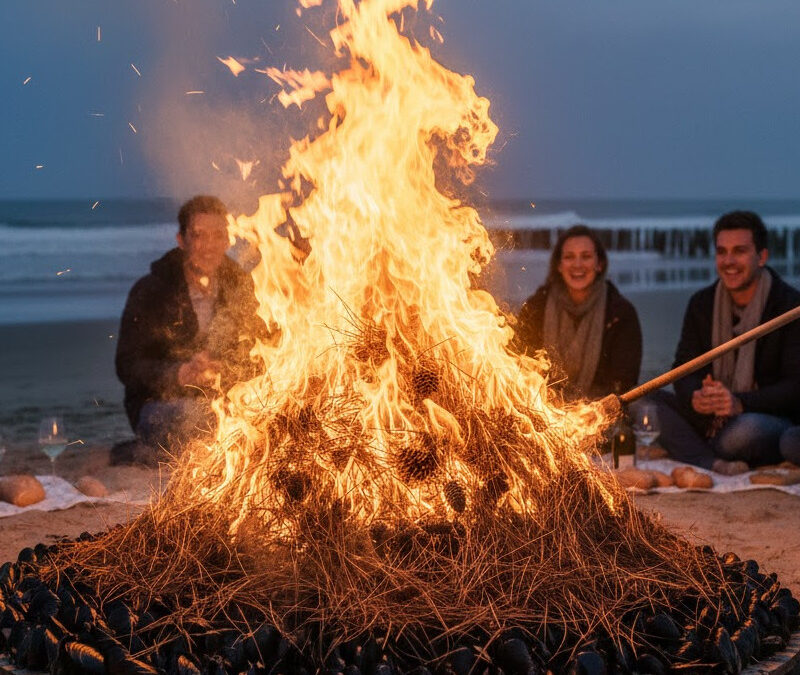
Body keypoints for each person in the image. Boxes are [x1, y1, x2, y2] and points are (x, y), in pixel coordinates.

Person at [114, 195, 269, 463]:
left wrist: (226, 369)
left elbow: (263, 350)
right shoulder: (151, 290)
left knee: (269, 411)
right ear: (182, 240)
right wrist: (178, 373)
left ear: (227, 240)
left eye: (218, 235)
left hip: (227, 399)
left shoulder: (241, 287)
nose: (209, 246)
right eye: (199, 236)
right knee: (203, 417)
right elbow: (128, 366)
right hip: (160, 405)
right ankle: (141, 451)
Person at [651, 210, 800, 474]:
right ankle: (711, 461)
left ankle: (695, 451)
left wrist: (739, 402)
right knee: (643, 400)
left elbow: (794, 387)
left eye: (739, 251)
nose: (728, 261)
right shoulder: (701, 303)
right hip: (709, 417)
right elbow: (683, 368)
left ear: (762, 256)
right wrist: (696, 396)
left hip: (764, 417)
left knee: (742, 433)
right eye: (722, 252)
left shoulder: (789, 305)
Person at [515, 224, 642, 400]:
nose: (577, 265)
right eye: (569, 257)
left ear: (599, 264)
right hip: (541, 406)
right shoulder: (536, 307)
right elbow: (518, 364)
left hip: (600, 412)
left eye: (586, 256)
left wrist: (587, 412)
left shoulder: (621, 313)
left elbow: (624, 381)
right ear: (559, 265)